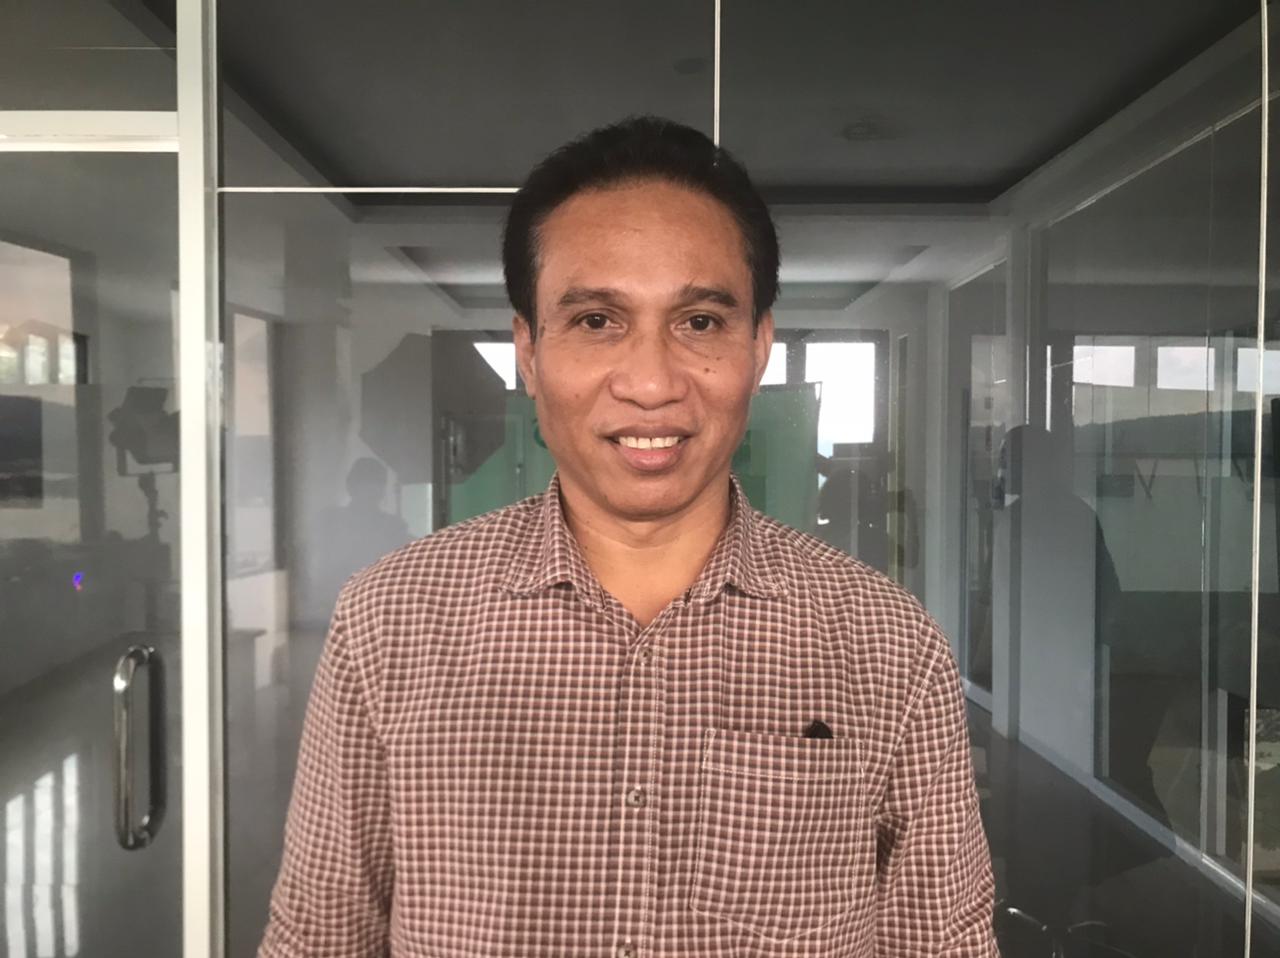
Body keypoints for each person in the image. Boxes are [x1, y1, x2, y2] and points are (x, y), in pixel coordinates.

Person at [260, 116, 997, 957]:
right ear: (528, 350)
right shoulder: (392, 622)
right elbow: (319, 938)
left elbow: (943, 942)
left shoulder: (885, 644)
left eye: (701, 322)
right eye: (596, 321)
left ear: (759, 346)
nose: (650, 383)